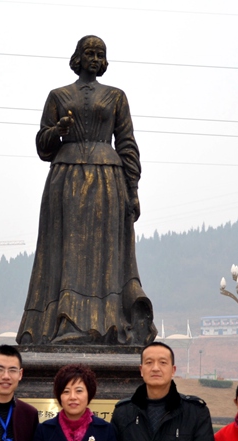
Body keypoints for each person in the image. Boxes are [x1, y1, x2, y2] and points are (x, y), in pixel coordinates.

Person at [18, 34, 157, 346]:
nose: (94, 59)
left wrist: (133, 189)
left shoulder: (117, 97)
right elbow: (43, 147)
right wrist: (58, 131)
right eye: (89, 53)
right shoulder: (58, 96)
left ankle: (108, 323)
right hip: (65, 181)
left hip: (108, 182)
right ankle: (61, 321)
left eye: (100, 54)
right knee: (65, 250)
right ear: (77, 58)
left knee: (106, 254)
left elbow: (127, 143)